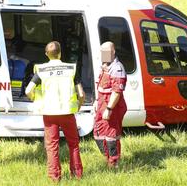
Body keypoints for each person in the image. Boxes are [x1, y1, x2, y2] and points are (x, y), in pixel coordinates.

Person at [25, 41, 85, 182]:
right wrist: (79, 105)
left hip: (49, 114)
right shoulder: (71, 69)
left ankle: (54, 177)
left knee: (52, 146)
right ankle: (77, 175)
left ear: (47, 54)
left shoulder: (41, 70)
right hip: (67, 113)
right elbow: (81, 94)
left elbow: (28, 90)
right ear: (60, 53)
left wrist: (35, 99)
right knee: (73, 144)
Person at [93, 41, 127, 168]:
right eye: (102, 52)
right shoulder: (104, 66)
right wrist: (96, 101)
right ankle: (107, 158)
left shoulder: (117, 68)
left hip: (113, 106)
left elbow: (117, 92)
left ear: (113, 52)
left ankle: (114, 163)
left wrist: (109, 108)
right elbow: (100, 86)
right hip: (102, 104)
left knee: (111, 135)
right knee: (98, 133)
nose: (103, 54)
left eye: (105, 52)